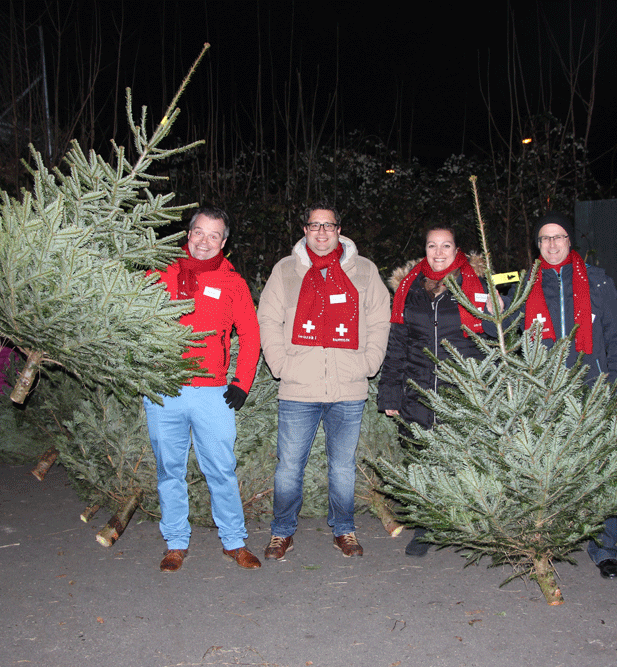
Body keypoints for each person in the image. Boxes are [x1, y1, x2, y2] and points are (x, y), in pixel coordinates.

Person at [488, 211, 617, 579]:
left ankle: (604, 550)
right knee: (545, 469)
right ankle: (546, 542)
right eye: (544, 239)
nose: (552, 244)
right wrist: (492, 311)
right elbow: (500, 332)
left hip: (592, 390)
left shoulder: (597, 282)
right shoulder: (525, 284)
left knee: (597, 470)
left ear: (570, 242)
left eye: (559, 237)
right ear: (537, 246)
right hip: (543, 392)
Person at [257, 204, 391, 559]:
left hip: (348, 387)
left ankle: (344, 529)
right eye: (314, 225)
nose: (321, 232)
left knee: (343, 466)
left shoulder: (363, 271)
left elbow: (379, 319)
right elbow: (268, 320)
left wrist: (369, 362)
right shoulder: (286, 271)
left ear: (338, 229)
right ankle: (281, 532)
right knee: (289, 466)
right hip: (299, 387)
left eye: (327, 225)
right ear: (304, 230)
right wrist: (281, 364)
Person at [144, 207, 262, 573]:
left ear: (224, 242)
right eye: (199, 232)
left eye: (214, 236)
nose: (204, 241)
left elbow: (251, 333)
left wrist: (242, 382)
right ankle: (176, 543)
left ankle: (234, 541)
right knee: (169, 470)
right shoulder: (157, 273)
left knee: (222, 470)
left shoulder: (233, 282)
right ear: (188, 233)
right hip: (164, 391)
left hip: (212, 393)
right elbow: (132, 321)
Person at [377, 225, 489, 557]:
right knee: (421, 460)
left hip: (461, 390)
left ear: (458, 250)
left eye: (446, 246)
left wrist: (486, 388)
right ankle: (426, 527)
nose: (438, 253)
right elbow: (396, 345)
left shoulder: (475, 286)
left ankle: (465, 527)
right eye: (431, 246)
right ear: (424, 249)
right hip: (418, 389)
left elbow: (490, 343)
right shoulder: (408, 290)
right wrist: (391, 394)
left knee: (463, 461)